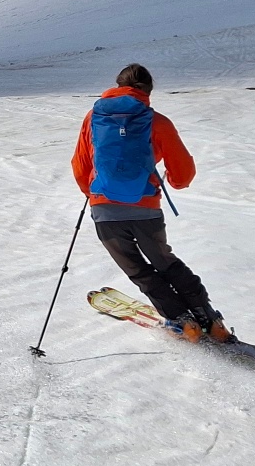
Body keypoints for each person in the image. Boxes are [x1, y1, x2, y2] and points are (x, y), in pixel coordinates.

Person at [70, 63, 228, 342]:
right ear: (148, 91)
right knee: (165, 261)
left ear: (117, 86)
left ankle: (181, 320)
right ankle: (209, 318)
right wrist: (177, 182)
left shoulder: (93, 118)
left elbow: (80, 164)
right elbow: (183, 170)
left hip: (104, 208)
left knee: (137, 269)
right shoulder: (156, 121)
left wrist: (91, 193)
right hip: (146, 208)